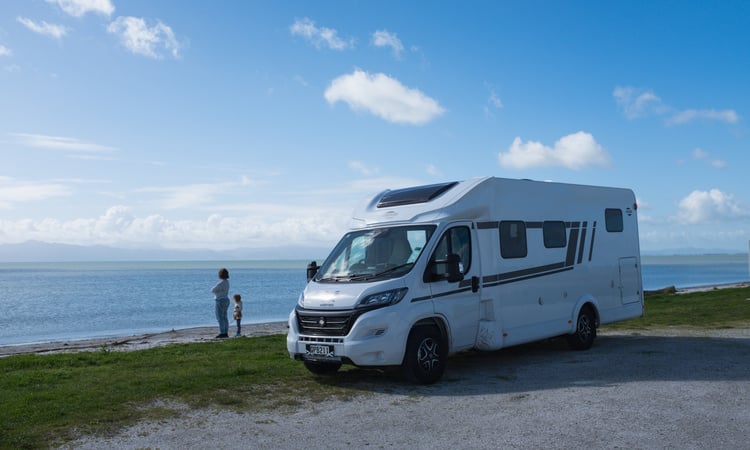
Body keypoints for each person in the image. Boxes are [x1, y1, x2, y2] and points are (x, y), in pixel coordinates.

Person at [212, 268, 230, 338]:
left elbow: (213, 290)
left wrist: (218, 291)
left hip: (220, 300)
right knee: (224, 317)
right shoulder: (227, 282)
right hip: (226, 299)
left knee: (220, 317)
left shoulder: (221, 283)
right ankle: (225, 332)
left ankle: (222, 332)